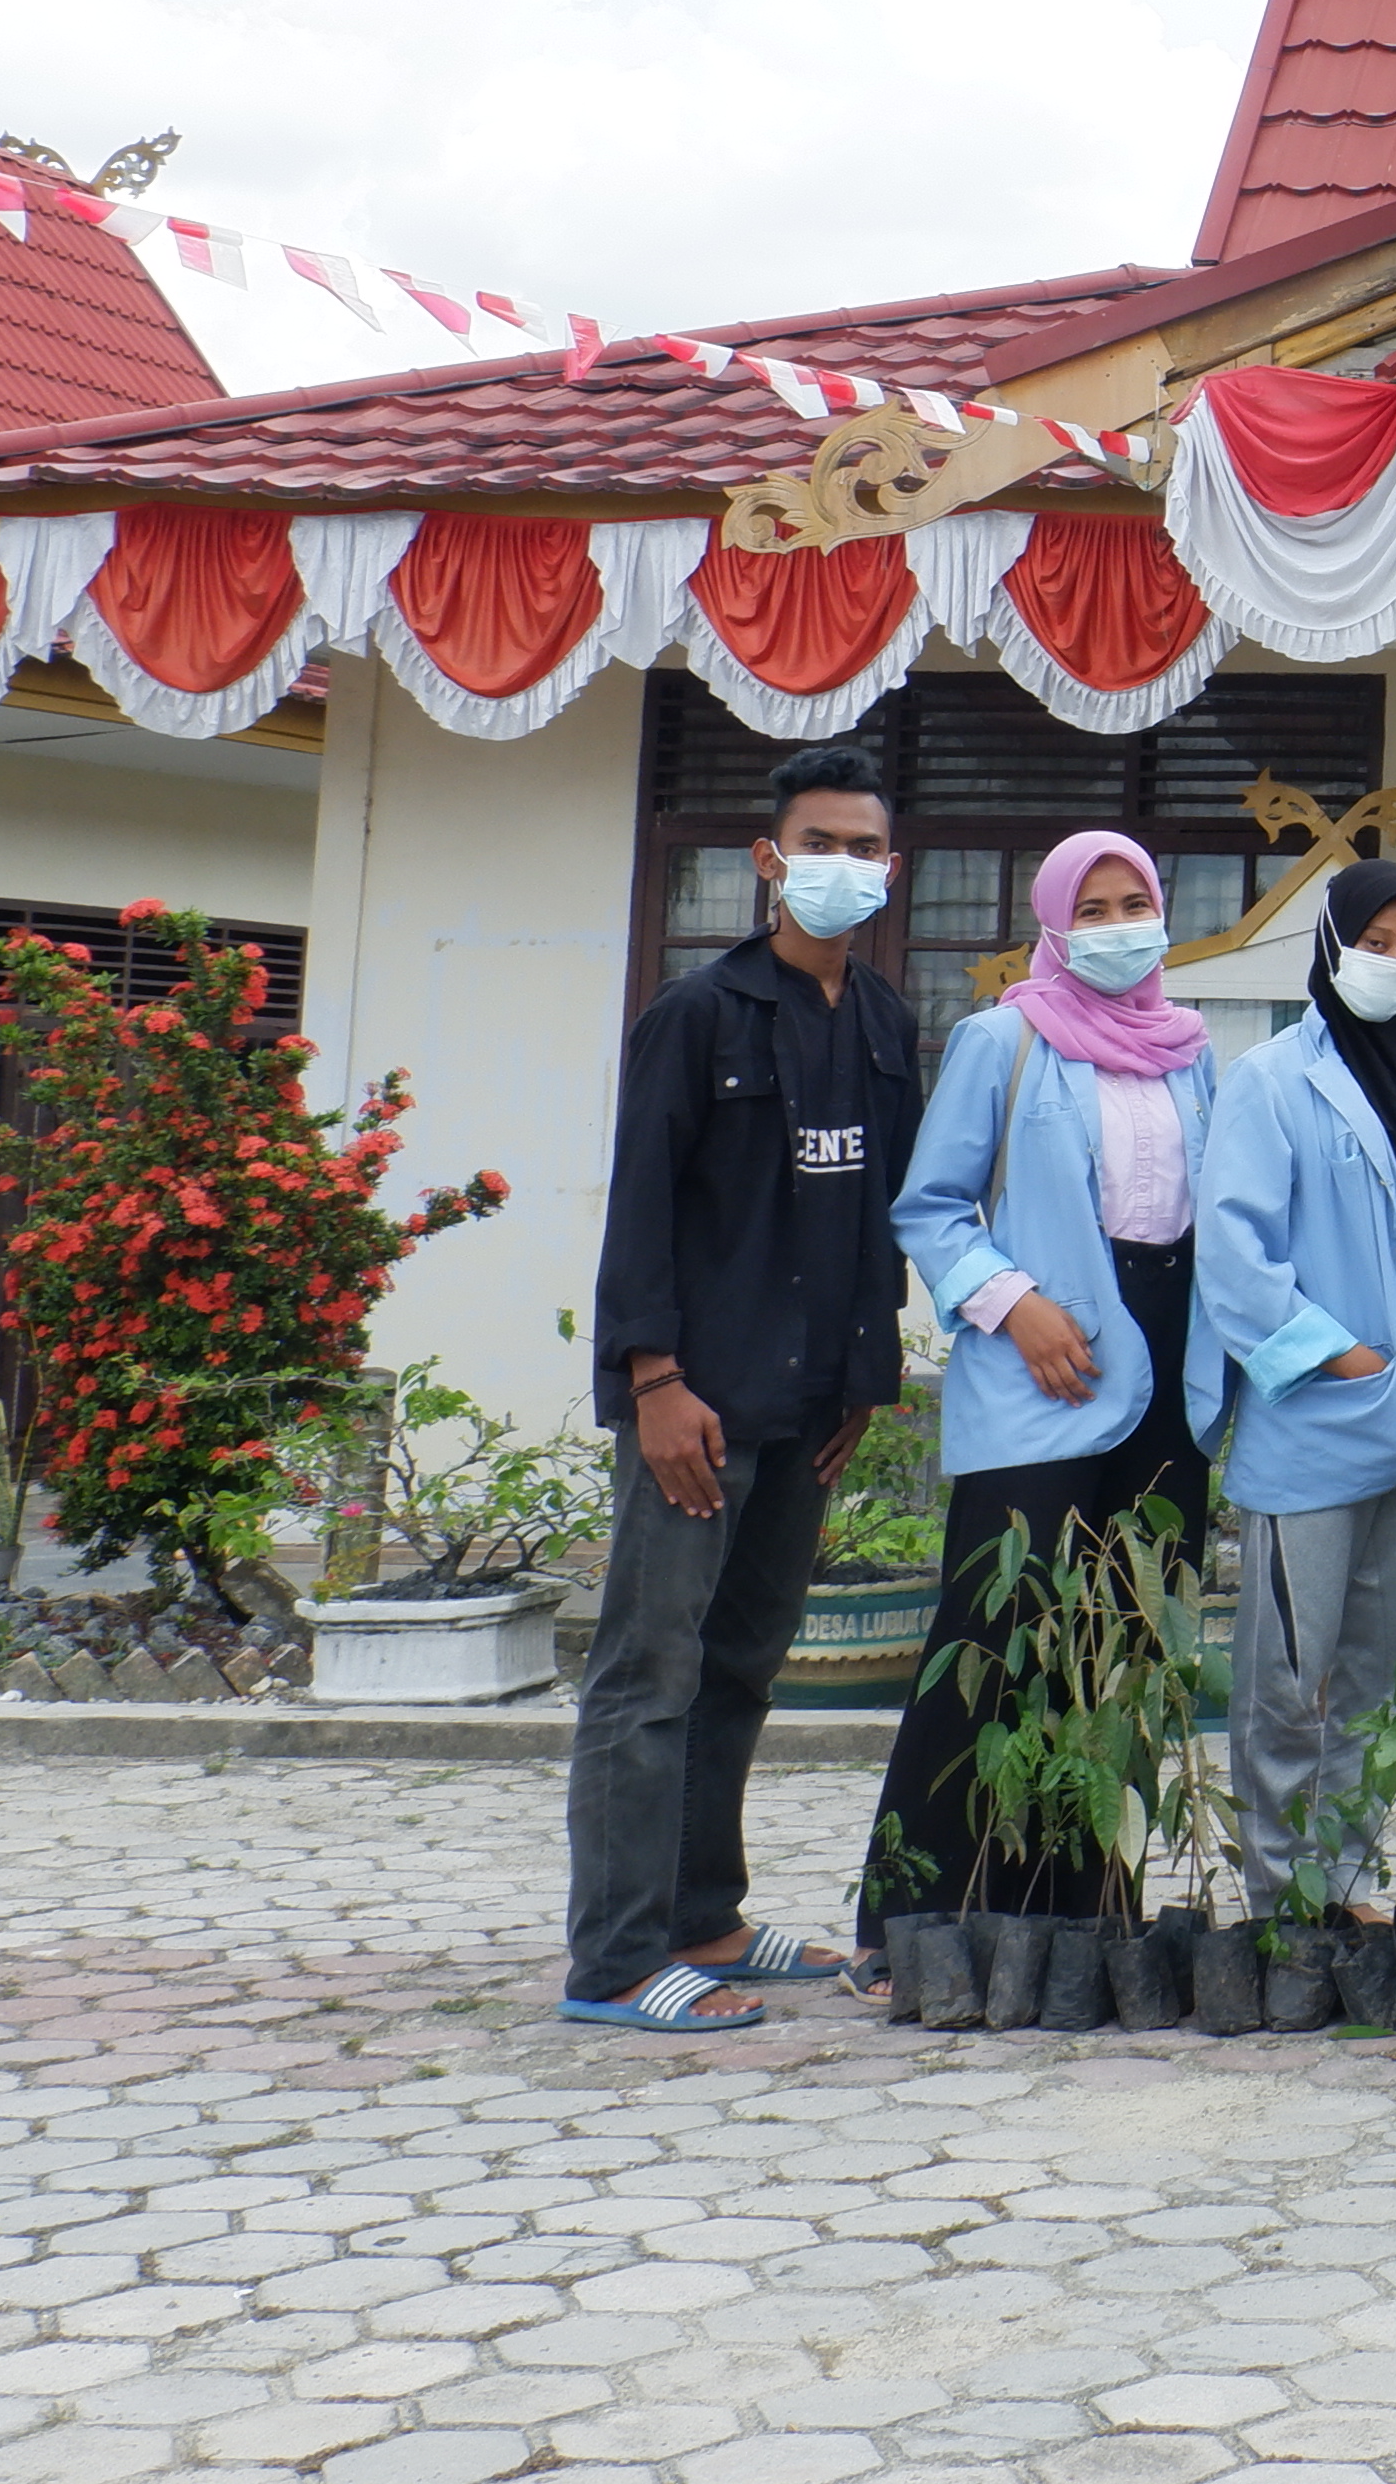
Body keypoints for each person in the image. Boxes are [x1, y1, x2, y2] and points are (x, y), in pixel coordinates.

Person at [562, 739, 918, 2033]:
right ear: (770, 861)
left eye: (863, 849)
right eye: (816, 845)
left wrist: (867, 1381)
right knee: (649, 1672)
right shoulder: (698, 1016)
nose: (840, 868)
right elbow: (643, 1208)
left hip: (811, 1404)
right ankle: (612, 1957)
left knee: (744, 1662)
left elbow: (880, 1213)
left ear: (893, 869)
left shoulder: (881, 1024)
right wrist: (653, 1379)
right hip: (695, 1408)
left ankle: (704, 1911)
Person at [864, 829, 1228, 1940]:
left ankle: (1080, 1912)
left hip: (1169, 1364)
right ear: (1056, 925)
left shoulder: (1192, 1050)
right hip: (1044, 1368)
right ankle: (918, 1917)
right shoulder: (1002, 1037)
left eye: (1138, 903)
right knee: (993, 1634)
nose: (1121, 927)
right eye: (1098, 908)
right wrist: (1010, 1302)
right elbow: (931, 1205)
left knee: (1127, 1639)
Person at [1199, 858, 1396, 1924]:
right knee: (1291, 1678)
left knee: (1379, 1678)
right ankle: (1281, 1895)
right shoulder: (1271, 1079)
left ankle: (1352, 1881)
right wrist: (1338, 1356)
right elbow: (1237, 1255)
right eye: (1376, 941)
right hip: (1316, 1433)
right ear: (1331, 948)